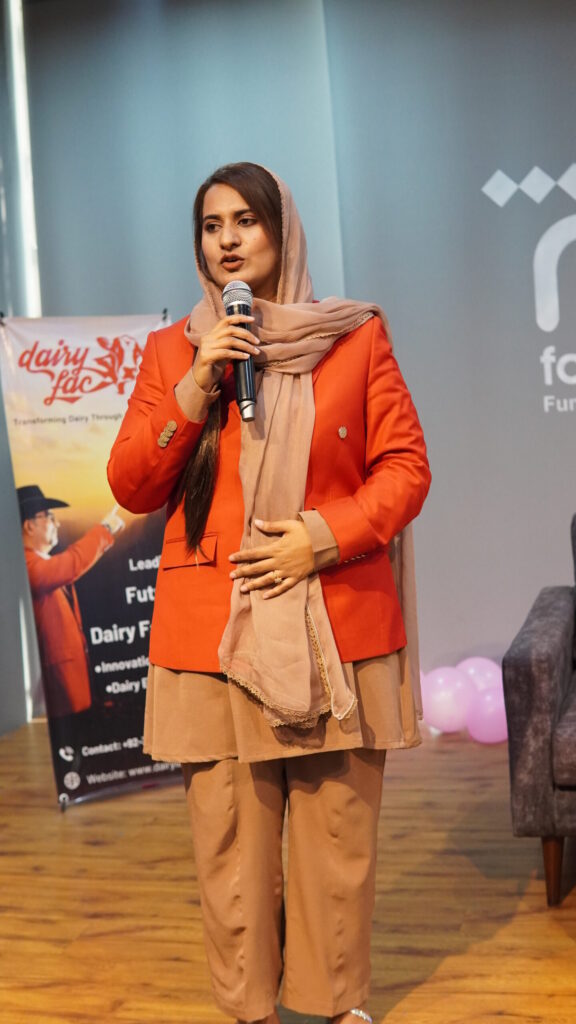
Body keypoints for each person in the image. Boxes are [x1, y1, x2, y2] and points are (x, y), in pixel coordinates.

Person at [107, 162, 431, 1024]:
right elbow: (132, 484)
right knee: (230, 848)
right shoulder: (174, 351)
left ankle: (335, 1003)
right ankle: (250, 1009)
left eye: (245, 221)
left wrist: (320, 537)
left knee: (335, 836)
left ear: (282, 232)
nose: (227, 240)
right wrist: (197, 382)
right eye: (212, 225)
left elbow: (405, 470)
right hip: (210, 635)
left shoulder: (355, 338)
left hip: (333, 621)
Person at [18, 484, 124, 718]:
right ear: (29, 526)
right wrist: (104, 530)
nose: (57, 523)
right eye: (49, 516)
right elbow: (70, 564)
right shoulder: (25, 566)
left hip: (72, 689)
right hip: (62, 697)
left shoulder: (38, 564)